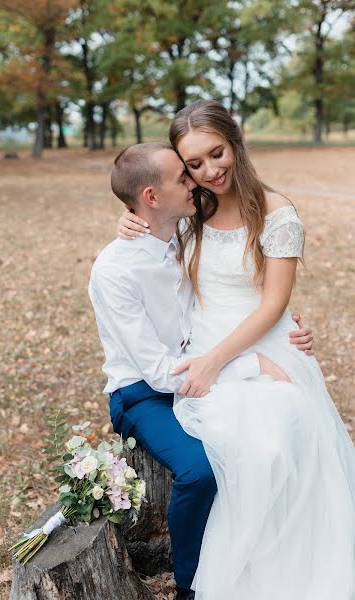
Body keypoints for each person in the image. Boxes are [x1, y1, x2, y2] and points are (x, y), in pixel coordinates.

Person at [117, 101, 355, 599]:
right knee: (232, 447)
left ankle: (282, 569)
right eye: (194, 165)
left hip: (260, 344)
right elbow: (151, 221)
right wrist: (128, 221)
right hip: (201, 347)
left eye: (216, 153)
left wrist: (219, 361)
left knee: (276, 438)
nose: (210, 171)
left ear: (235, 141)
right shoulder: (192, 210)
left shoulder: (277, 211)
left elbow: (273, 304)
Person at [89, 142, 314, 600]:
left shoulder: (182, 231)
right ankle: (192, 584)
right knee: (200, 470)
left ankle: (259, 556)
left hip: (207, 364)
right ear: (152, 197)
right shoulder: (114, 270)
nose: (194, 183)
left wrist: (284, 333)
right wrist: (250, 364)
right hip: (144, 393)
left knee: (262, 437)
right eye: (183, 177)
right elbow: (155, 371)